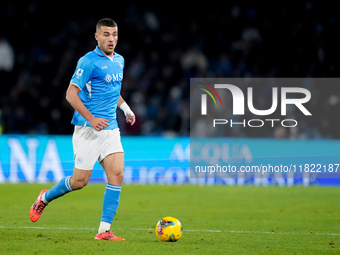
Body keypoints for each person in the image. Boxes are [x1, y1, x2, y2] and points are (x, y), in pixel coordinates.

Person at [30, 18, 135, 241]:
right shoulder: (88, 62)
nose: (111, 39)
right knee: (80, 182)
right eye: (106, 34)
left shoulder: (119, 60)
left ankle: (104, 230)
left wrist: (126, 109)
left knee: (117, 175)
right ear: (96, 36)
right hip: (88, 129)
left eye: (115, 34)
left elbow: (113, 91)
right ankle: (45, 197)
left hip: (110, 129)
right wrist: (91, 118)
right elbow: (70, 93)